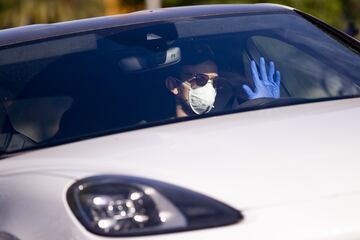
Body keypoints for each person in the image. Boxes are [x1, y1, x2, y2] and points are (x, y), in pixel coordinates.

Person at [165, 47, 281, 118]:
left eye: (214, 81)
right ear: (173, 85)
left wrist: (268, 109)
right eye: (201, 80)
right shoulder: (160, 135)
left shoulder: (229, 125)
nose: (210, 88)